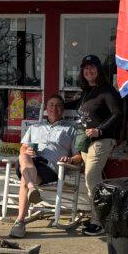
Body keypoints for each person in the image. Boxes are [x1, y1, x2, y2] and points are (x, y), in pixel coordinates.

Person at [65, 54, 123, 235]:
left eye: (92, 67)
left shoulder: (107, 90)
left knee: (91, 177)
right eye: (86, 68)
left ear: (99, 70)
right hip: (85, 140)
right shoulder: (86, 92)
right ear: (82, 71)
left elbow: (118, 113)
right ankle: (97, 218)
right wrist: (56, 103)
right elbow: (75, 104)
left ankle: (100, 222)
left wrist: (100, 130)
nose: (89, 70)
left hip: (102, 139)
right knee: (93, 182)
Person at [8, 94, 76, 238]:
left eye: (58, 105)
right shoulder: (35, 127)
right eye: (51, 105)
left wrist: (70, 159)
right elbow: (22, 148)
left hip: (51, 167)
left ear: (63, 109)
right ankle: (32, 189)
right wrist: (28, 150)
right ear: (46, 109)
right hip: (31, 162)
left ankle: (20, 221)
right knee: (23, 155)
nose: (54, 108)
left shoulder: (71, 130)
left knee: (25, 180)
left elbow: (80, 156)